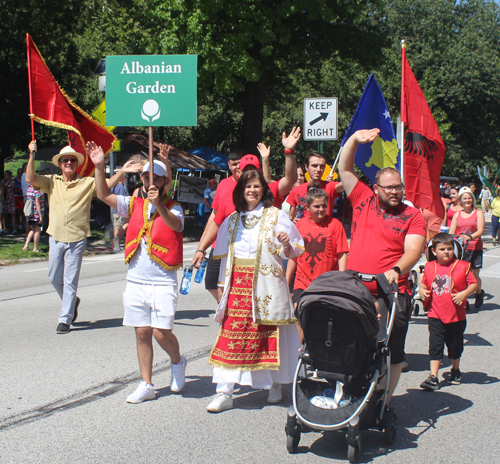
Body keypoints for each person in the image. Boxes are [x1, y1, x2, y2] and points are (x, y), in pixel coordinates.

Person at [88, 142, 187, 403]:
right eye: (145, 177)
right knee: (142, 331)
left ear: (166, 182)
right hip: (136, 278)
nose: (149, 182)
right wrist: (99, 166)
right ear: (141, 180)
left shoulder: (175, 206)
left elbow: (175, 224)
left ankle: (177, 362)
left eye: (156, 178)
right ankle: (147, 383)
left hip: (163, 280)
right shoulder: (133, 203)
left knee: (160, 331)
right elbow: (102, 194)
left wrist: (160, 204)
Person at [338, 128, 426, 403]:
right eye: (389, 187)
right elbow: (344, 167)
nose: (395, 192)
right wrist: (354, 139)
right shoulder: (362, 199)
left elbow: (414, 250)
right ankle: (349, 390)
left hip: (392, 290)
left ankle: (383, 400)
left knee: (391, 349)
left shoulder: (412, 216)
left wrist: (395, 271)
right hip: (356, 288)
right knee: (351, 343)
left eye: (398, 187)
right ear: (376, 188)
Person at [205, 168, 304, 413]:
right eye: (248, 186)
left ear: (264, 190)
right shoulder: (231, 220)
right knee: (230, 336)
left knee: (270, 334)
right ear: (241, 190)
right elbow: (224, 258)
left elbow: (294, 249)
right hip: (237, 284)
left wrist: (285, 243)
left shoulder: (276, 215)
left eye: (257, 186)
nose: (252, 190)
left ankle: (275, 383)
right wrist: (221, 289)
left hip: (266, 284)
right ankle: (224, 391)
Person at [25, 140, 140, 334]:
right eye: (65, 160)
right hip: (56, 236)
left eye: (72, 160)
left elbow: (107, 184)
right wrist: (31, 155)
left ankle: (65, 318)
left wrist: (121, 171)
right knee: (54, 277)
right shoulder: (51, 181)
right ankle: (72, 302)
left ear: (76, 164)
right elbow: (30, 179)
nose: (68, 163)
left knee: (70, 280)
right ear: (60, 164)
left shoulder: (86, 182)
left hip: (77, 239)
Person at [192, 128, 301, 301]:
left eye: (254, 171)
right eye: (246, 171)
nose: (251, 187)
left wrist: (289, 152)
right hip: (232, 261)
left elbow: (290, 179)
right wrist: (201, 249)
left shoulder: (269, 191)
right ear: (239, 173)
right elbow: (216, 220)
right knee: (223, 294)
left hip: (263, 268)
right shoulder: (232, 197)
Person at [419, 233, 477, 390]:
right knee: (435, 344)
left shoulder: (463, 266)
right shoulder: (430, 266)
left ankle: (455, 370)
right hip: (435, 314)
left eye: (450, 249)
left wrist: (464, 294)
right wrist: (421, 290)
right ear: (434, 251)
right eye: (442, 249)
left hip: (456, 316)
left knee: (455, 345)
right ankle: (433, 377)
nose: (446, 252)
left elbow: (473, 283)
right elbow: (423, 283)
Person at [287, 185, 348, 307]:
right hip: (302, 282)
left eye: (324, 205)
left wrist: (342, 279)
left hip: (328, 282)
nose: (321, 209)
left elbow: (342, 254)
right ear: (307, 207)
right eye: (317, 206)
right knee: (299, 315)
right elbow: (293, 256)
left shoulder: (335, 225)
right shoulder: (299, 226)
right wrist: (286, 281)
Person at [449, 187, 485, 308]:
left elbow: (480, 230)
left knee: (474, 275)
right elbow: (452, 232)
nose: (467, 200)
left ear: (472, 199)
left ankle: (479, 293)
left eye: (469, 198)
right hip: (462, 249)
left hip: (475, 247)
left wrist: (470, 237)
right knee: (463, 275)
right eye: (464, 198)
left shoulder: (478, 213)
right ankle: (464, 300)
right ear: (461, 200)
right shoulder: (457, 215)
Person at [286, 152, 343, 222]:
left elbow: (347, 183)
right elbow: (291, 216)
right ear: (306, 167)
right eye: (314, 166)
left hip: (325, 230)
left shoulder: (330, 186)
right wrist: (292, 221)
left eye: (322, 166)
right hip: (302, 231)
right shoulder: (296, 190)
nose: (318, 169)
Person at [22, 184, 44, 252]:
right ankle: (35, 248)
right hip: (36, 213)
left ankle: (26, 245)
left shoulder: (29, 189)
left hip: (30, 213)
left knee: (32, 229)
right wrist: (40, 215)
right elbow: (37, 203)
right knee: (38, 230)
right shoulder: (37, 190)